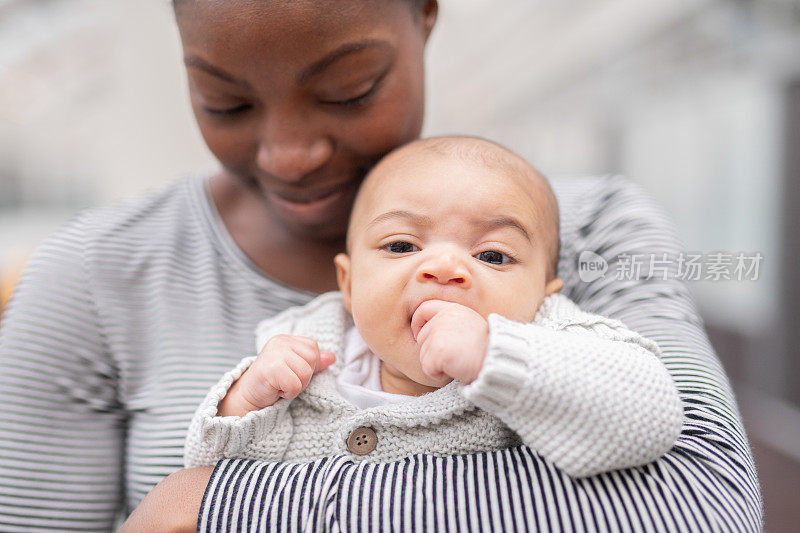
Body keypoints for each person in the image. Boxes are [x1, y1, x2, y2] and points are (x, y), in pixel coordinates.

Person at [0, 0, 761, 531]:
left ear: (424, 15)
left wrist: (213, 508)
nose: (289, 153)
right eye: (225, 103)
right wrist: (240, 401)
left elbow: (704, 503)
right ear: (342, 282)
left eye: (350, 89)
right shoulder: (99, 276)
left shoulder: (587, 233)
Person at [183, 136, 683, 478]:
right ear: (348, 284)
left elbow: (651, 416)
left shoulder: (551, 337)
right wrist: (243, 401)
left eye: (492, 255)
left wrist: (497, 356)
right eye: (402, 246)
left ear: (544, 293)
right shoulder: (305, 356)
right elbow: (206, 477)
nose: (444, 268)